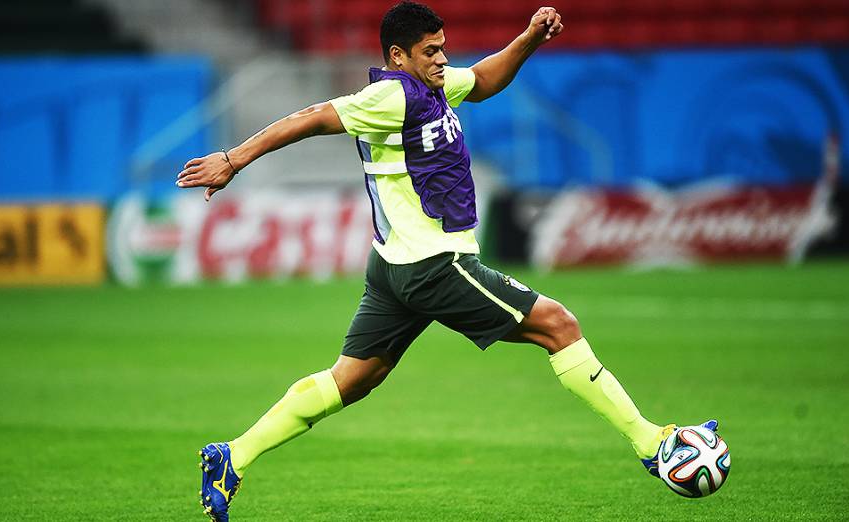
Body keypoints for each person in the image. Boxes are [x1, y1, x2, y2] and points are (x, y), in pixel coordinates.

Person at [177, 3, 714, 520]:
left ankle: (233, 456)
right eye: (430, 51)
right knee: (558, 325)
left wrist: (528, 38)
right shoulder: (390, 96)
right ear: (398, 56)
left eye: (443, 49)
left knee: (351, 380)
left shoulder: (434, 89)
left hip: (394, 267)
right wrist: (234, 158)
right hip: (433, 264)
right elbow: (315, 116)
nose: (441, 59)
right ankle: (653, 443)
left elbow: (482, 80)